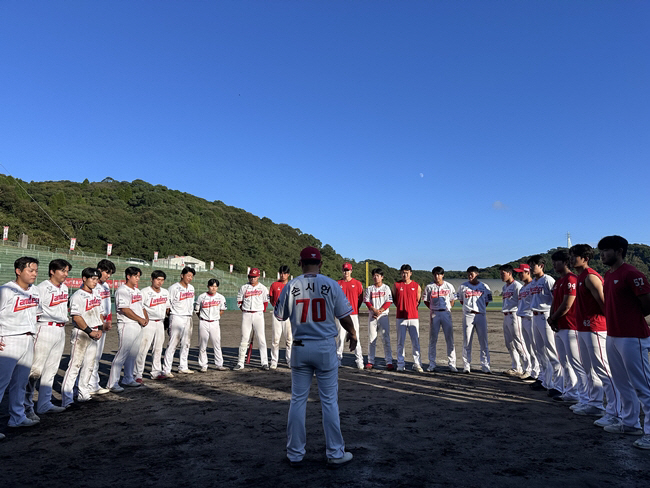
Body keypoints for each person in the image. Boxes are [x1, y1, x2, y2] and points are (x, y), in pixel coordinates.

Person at [274, 246, 356, 467]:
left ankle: (295, 454)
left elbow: (280, 315)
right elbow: (345, 316)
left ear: (300, 264)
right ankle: (335, 453)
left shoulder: (291, 285)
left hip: (300, 347)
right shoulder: (330, 284)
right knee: (329, 402)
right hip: (324, 347)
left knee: (298, 400)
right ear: (320, 263)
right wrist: (353, 333)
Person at [597, 235, 650, 449]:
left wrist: (631, 319)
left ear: (619, 251)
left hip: (632, 336)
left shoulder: (632, 273)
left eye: (606, 250)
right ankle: (630, 422)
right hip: (613, 335)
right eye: (600, 250)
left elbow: (647, 304)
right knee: (621, 382)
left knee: (643, 386)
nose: (602, 254)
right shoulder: (609, 275)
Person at [569, 244, 621, 421]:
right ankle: (594, 403)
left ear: (585, 258)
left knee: (603, 369)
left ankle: (615, 411)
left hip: (595, 327)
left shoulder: (591, 277)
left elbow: (604, 303)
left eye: (574, 256)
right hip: (583, 328)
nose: (571, 259)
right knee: (589, 368)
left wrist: (613, 325)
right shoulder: (580, 277)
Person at [0, 256, 41, 435]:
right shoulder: (6, 290)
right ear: (18, 271)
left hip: (28, 339)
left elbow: (36, 315)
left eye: (36, 270)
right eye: (30, 270)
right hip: (9, 339)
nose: (34, 274)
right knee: (1, 383)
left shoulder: (36, 291)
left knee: (21, 382)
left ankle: (17, 417)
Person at [25, 259, 71, 415]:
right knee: (35, 370)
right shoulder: (41, 288)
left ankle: (44, 403)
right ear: (52, 271)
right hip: (45, 327)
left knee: (51, 369)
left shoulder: (64, 288)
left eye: (67, 271)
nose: (65, 274)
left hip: (60, 329)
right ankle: (27, 406)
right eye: (62, 271)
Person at [548, 250, 587, 404]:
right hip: (559, 326)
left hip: (571, 326)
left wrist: (553, 317)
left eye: (556, 262)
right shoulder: (559, 281)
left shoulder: (571, 279)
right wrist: (552, 318)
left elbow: (567, 304)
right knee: (564, 362)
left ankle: (583, 396)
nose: (554, 265)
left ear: (565, 262)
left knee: (576, 362)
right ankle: (571, 391)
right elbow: (555, 302)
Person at [61, 267, 104, 407]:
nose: (95, 281)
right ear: (84, 279)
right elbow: (77, 317)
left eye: (97, 279)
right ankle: (67, 398)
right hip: (82, 332)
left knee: (89, 365)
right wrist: (90, 331)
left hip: (94, 331)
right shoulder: (77, 296)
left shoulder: (96, 294)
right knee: (75, 365)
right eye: (92, 278)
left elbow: (100, 313)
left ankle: (83, 393)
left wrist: (100, 328)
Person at [106, 267, 148, 391]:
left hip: (138, 325)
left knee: (133, 354)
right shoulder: (122, 290)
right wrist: (140, 319)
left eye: (138, 276)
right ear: (128, 276)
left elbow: (142, 307)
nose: (137, 279)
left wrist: (145, 317)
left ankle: (128, 378)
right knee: (122, 354)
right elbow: (125, 309)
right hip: (127, 324)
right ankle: (112, 383)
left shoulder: (137, 291)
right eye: (135, 276)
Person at [528, 255, 562, 396]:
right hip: (535, 316)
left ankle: (559, 383)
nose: (530, 268)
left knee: (552, 350)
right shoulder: (533, 283)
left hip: (545, 315)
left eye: (533, 265)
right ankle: (545, 380)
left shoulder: (547, 280)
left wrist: (553, 317)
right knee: (540, 350)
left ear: (541, 265)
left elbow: (555, 299)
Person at [135, 270, 169, 381]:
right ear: (152, 279)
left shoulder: (165, 292)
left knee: (158, 349)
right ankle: (138, 374)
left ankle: (156, 372)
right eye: (158, 279)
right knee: (143, 349)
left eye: (162, 280)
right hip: (148, 323)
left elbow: (167, 307)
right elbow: (139, 307)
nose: (160, 282)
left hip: (160, 322)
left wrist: (168, 318)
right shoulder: (144, 292)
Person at [458, 266, 493, 374]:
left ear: (477, 274)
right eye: (468, 274)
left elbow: (487, 301)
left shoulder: (484, 286)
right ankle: (466, 365)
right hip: (468, 315)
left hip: (481, 315)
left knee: (483, 341)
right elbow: (461, 300)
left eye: (472, 274)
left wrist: (480, 309)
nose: (470, 276)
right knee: (467, 341)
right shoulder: (463, 286)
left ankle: (485, 365)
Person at [88, 259, 115, 395]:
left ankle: (93, 383)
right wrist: (100, 323)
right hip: (94, 322)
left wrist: (108, 320)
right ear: (99, 270)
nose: (108, 276)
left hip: (103, 321)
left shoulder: (105, 286)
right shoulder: (91, 285)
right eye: (107, 272)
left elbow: (107, 305)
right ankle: (88, 384)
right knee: (91, 355)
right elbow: (94, 307)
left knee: (97, 355)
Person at [234, 268, 270, 371]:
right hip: (246, 314)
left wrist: (259, 312)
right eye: (250, 276)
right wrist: (245, 311)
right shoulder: (244, 287)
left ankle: (264, 362)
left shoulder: (263, 288)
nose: (252, 278)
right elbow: (239, 301)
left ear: (258, 276)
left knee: (261, 339)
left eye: (254, 277)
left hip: (258, 314)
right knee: (244, 338)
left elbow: (265, 302)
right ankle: (240, 362)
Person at [162, 267, 196, 376]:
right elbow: (168, 304)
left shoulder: (191, 288)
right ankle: (166, 369)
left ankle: (183, 366)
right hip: (176, 316)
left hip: (188, 317)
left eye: (191, 276)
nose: (190, 278)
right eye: (188, 276)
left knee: (186, 343)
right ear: (182, 275)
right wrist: (169, 316)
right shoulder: (174, 288)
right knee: (173, 343)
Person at [423, 267, 457, 372]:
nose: (437, 276)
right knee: (433, 339)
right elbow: (426, 301)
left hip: (446, 313)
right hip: (435, 313)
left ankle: (452, 364)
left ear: (443, 275)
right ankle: (432, 364)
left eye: (439, 274)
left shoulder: (449, 286)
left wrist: (448, 308)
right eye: (435, 274)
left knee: (449, 339)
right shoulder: (429, 287)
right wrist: (433, 309)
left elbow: (452, 300)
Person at [499, 264, 530, 378]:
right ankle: (516, 367)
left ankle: (528, 368)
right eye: (501, 274)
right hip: (506, 315)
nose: (501, 276)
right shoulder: (504, 287)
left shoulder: (517, 286)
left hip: (514, 315)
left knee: (519, 342)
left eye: (503, 273)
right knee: (509, 343)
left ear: (510, 273)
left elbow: (521, 302)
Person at [392, 264, 423, 373]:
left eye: (407, 272)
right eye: (403, 273)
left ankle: (417, 363)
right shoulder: (396, 285)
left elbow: (418, 301)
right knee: (401, 342)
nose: (405, 275)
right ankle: (400, 363)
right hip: (400, 317)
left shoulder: (416, 285)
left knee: (415, 342)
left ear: (410, 273)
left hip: (413, 317)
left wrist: (411, 309)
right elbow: (395, 300)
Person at [194, 279, 228, 372]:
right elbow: (197, 310)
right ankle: (203, 365)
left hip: (215, 322)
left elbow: (222, 310)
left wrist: (215, 317)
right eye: (212, 286)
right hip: (203, 322)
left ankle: (219, 364)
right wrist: (202, 317)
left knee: (216, 344)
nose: (213, 288)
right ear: (208, 286)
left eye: (215, 286)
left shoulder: (221, 297)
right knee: (202, 344)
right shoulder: (201, 297)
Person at [514, 263, 540, 381]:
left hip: (531, 318)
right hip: (523, 318)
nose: (519, 275)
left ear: (527, 272)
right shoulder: (523, 287)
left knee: (535, 346)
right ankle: (533, 371)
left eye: (521, 273)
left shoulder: (533, 285)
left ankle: (537, 372)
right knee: (529, 347)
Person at [364, 268, 394, 370]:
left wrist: (379, 311)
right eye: (374, 275)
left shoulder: (386, 288)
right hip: (372, 316)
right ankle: (370, 361)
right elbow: (367, 301)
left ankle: (389, 361)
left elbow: (389, 302)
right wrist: (374, 310)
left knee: (386, 338)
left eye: (378, 275)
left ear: (382, 277)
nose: (376, 277)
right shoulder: (370, 288)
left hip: (383, 315)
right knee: (372, 339)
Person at [336, 263, 364, 369]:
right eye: (344, 270)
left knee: (355, 336)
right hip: (341, 314)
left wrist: (355, 308)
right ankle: (338, 359)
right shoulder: (337, 283)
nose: (346, 272)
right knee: (340, 337)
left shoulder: (357, 283)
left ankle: (359, 360)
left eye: (348, 270)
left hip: (353, 314)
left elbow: (360, 299)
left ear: (351, 271)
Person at [269, 266, 292, 370]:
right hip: (277, 313)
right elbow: (272, 299)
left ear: (288, 275)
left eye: (285, 273)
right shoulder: (274, 285)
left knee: (289, 340)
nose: (283, 275)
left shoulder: (292, 285)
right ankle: (274, 361)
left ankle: (290, 360)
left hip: (289, 315)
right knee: (275, 339)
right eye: (281, 273)